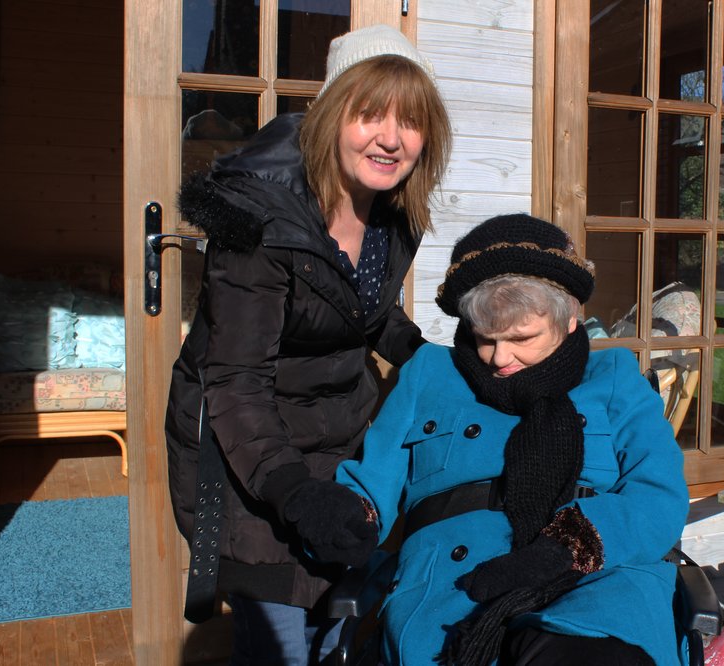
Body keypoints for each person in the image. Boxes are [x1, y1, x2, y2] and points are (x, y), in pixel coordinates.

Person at [164, 24, 452, 666]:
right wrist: (294, 490)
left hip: (338, 437)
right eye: (370, 113)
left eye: (410, 121)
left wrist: (437, 362)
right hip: (251, 454)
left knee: (336, 621)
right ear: (328, 114)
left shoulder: (390, 212)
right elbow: (235, 381)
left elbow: (361, 311)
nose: (390, 137)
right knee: (280, 641)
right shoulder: (258, 222)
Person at [284, 214, 692, 666]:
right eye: (483, 338)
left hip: (596, 581)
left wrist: (566, 548)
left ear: (571, 320)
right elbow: (372, 482)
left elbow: (658, 496)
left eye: (522, 338)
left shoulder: (614, 379)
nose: (500, 358)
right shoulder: (429, 374)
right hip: (453, 588)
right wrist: (343, 517)